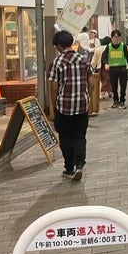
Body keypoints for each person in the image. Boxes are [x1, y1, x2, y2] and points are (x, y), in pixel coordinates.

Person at [49, 30, 94, 182]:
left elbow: (54, 87)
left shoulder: (57, 62)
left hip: (64, 107)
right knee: (80, 136)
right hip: (82, 106)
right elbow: (92, 82)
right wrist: (87, 96)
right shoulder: (83, 59)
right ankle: (79, 165)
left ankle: (69, 168)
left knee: (65, 137)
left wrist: (53, 105)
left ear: (59, 46)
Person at [102, 29, 128, 109]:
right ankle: (115, 101)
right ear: (112, 38)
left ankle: (122, 101)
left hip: (122, 68)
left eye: (118, 37)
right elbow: (104, 57)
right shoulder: (108, 47)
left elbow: (127, 57)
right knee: (114, 86)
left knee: (123, 86)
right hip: (113, 69)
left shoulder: (123, 46)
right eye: (115, 37)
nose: (116, 38)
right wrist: (106, 64)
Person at [91, 36, 112, 100]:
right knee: (107, 80)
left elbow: (94, 60)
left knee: (101, 81)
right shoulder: (110, 48)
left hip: (99, 67)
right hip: (107, 67)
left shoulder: (98, 49)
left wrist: (92, 67)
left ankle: (109, 92)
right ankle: (102, 94)